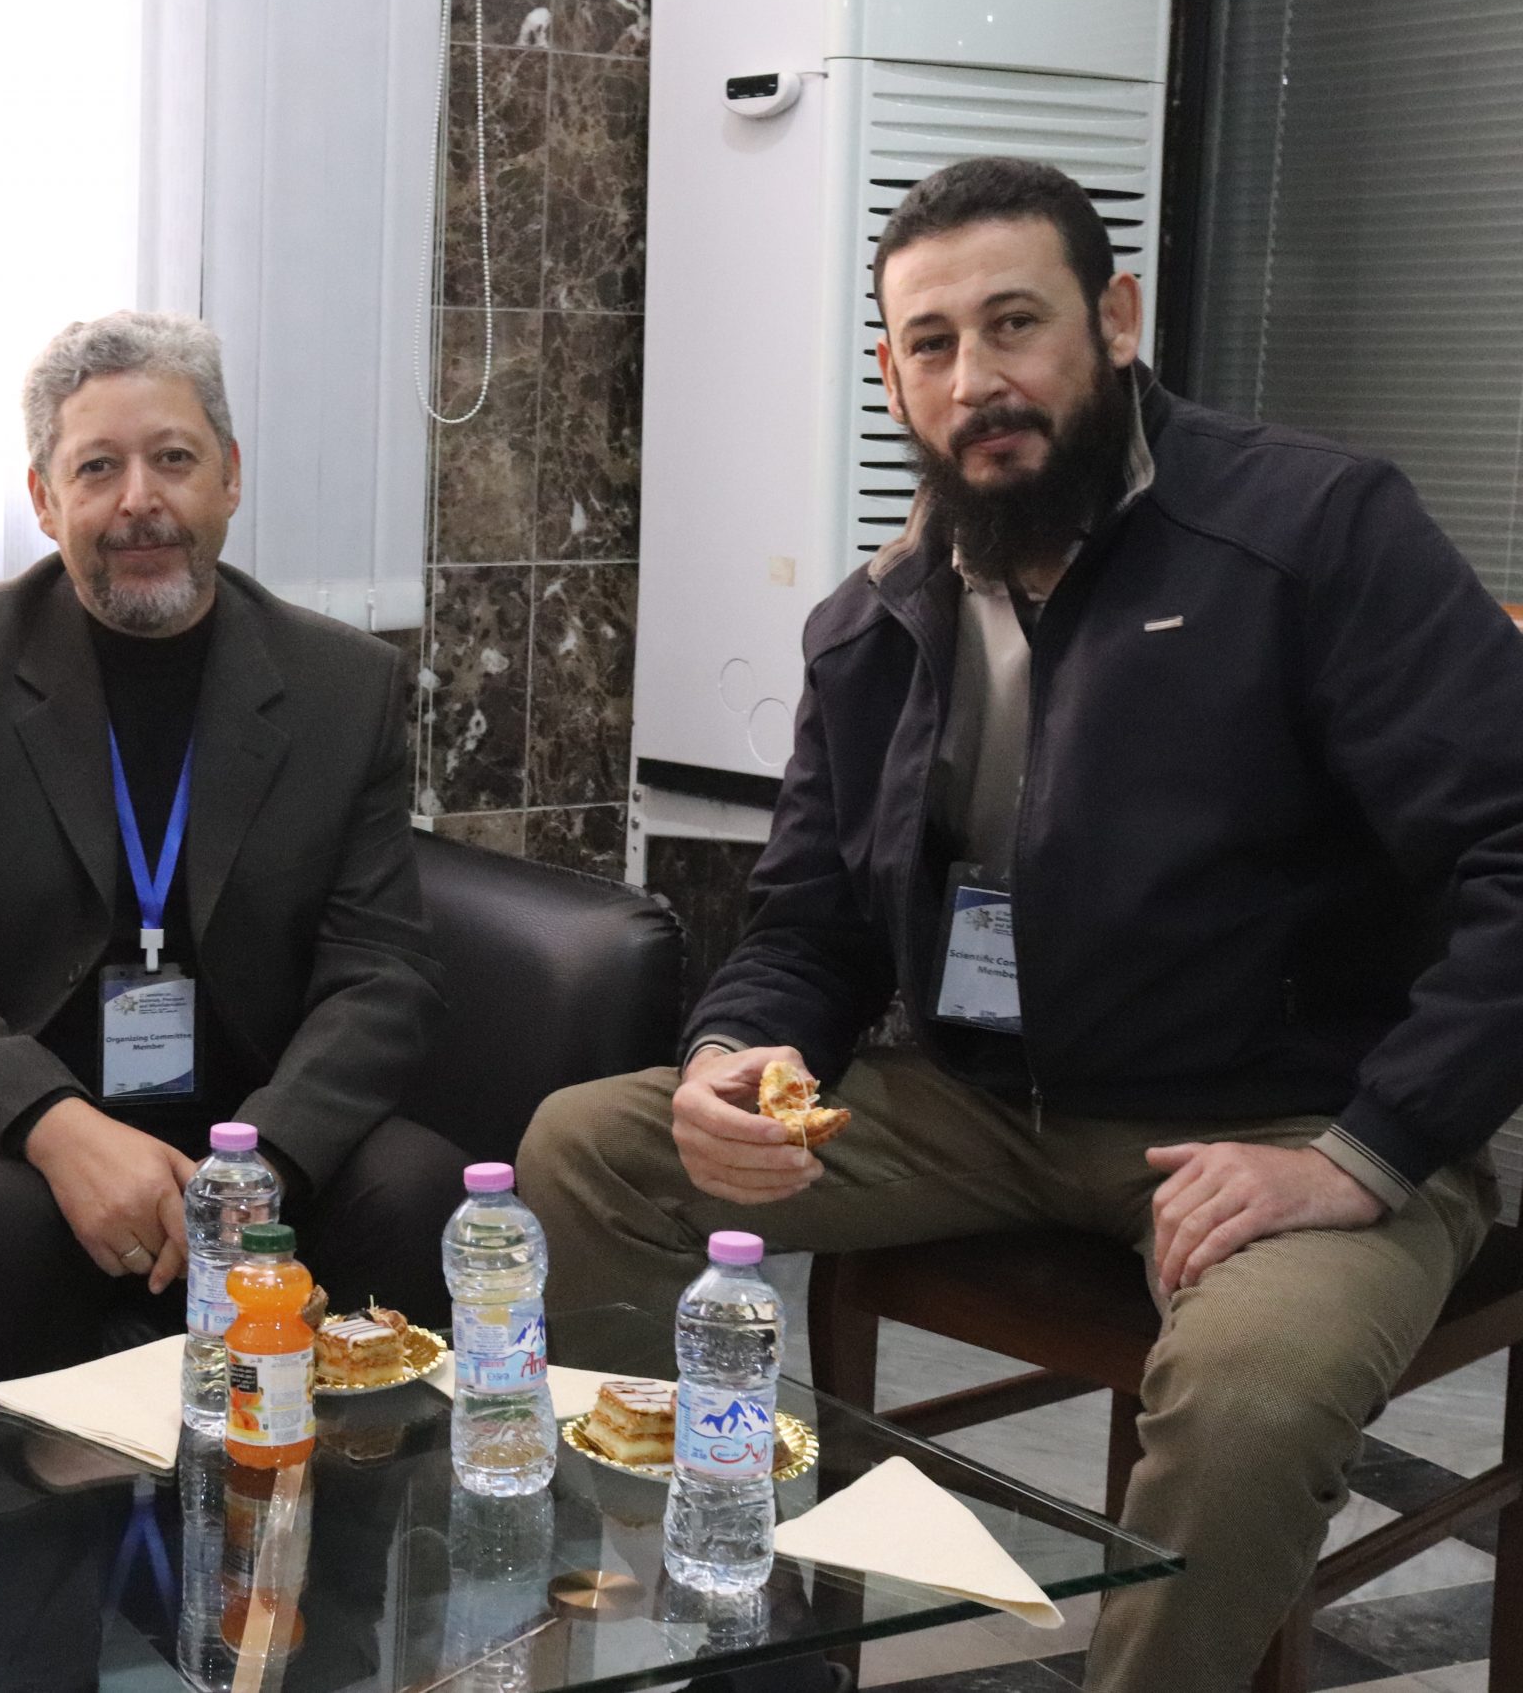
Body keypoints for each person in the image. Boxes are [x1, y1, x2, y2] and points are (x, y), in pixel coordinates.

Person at [520, 157, 1523, 1692]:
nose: (977, 379)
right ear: (892, 376)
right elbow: (810, 923)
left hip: (1287, 1119)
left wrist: (1363, 1151)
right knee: (589, 1147)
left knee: (1251, 1394)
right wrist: (737, 1052)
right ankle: (724, 1632)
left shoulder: (1315, 531)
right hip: (985, 1102)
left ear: (1114, 318)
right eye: (933, 343)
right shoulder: (875, 620)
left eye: (1015, 323)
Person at [0, 310, 465, 1397]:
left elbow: (383, 972)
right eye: (98, 467)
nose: (140, 498)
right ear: (45, 500)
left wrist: (260, 1162)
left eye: (173, 459)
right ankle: (21, 1512)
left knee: (414, 1185)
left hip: (244, 1118)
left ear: (230, 477)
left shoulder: (341, 687)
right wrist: (56, 1129)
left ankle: (326, 1507)